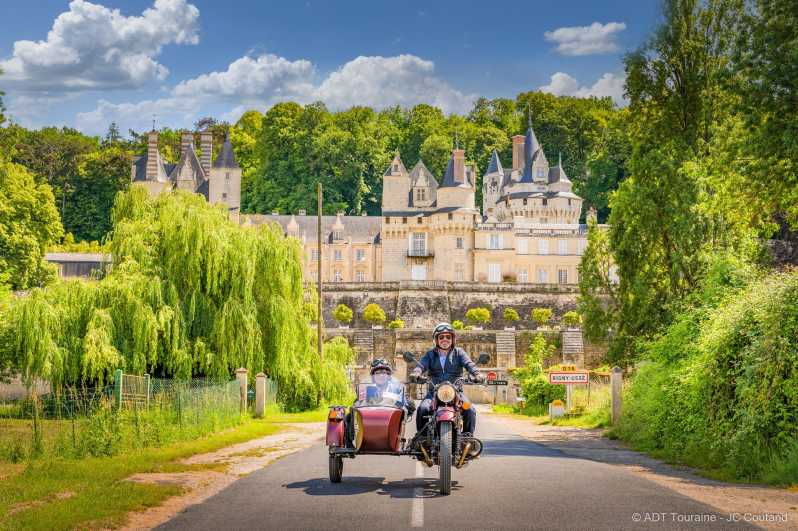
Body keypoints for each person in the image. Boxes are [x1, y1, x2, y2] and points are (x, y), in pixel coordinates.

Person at [412, 322, 484, 436]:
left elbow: (469, 364)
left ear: (453, 339)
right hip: (434, 393)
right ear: (436, 340)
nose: (444, 339)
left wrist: (477, 374)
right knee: (423, 409)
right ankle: (422, 440)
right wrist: (416, 373)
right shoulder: (430, 354)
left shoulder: (459, 353)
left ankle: (468, 439)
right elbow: (421, 365)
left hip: (456, 394)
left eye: (448, 337)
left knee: (469, 409)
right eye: (441, 337)